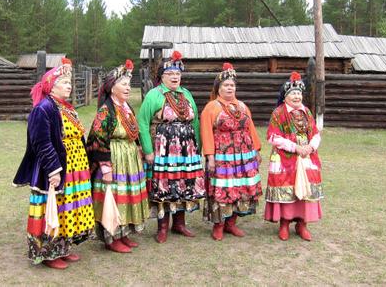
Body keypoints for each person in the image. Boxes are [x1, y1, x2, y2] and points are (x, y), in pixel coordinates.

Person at [13, 58, 94, 269]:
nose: (69, 86)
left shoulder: (65, 107)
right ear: (52, 85)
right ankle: (48, 253)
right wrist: (53, 170)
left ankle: (63, 248)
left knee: (66, 208)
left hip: (74, 168)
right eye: (65, 82)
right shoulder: (44, 109)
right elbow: (41, 142)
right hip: (55, 169)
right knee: (53, 208)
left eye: (70, 82)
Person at [137, 50, 205, 243]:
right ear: (161, 76)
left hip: (186, 150)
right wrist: (148, 151)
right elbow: (142, 122)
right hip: (164, 150)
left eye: (177, 74)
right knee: (165, 185)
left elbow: (195, 122)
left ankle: (180, 224)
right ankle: (163, 226)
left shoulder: (186, 94)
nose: (175, 77)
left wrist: (196, 147)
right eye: (170, 74)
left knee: (183, 183)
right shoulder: (154, 95)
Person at [86, 60, 149, 253]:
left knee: (127, 195)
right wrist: (105, 168)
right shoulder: (106, 111)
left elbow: (134, 131)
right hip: (114, 160)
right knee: (113, 196)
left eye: (129, 84)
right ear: (112, 88)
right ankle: (111, 237)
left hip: (129, 159)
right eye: (123, 84)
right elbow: (97, 139)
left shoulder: (126, 107)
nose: (128, 88)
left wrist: (138, 148)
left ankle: (124, 233)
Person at [200, 63, 263, 241]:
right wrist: (210, 157)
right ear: (218, 88)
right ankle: (219, 225)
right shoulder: (211, 107)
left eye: (232, 85)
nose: (229, 88)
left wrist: (256, 150)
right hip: (223, 155)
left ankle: (231, 223)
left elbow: (250, 128)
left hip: (244, 155)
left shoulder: (242, 106)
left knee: (240, 186)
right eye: (226, 85)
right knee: (223, 188)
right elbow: (206, 132)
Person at [264, 71, 323, 241]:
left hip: (307, 156)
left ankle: (302, 224)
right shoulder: (279, 113)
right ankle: (284, 223)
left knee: (306, 189)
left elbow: (315, 133)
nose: (297, 97)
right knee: (286, 188)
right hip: (285, 158)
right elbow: (272, 136)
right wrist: (295, 147)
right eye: (293, 94)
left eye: (299, 94)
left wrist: (311, 146)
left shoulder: (307, 113)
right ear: (285, 97)